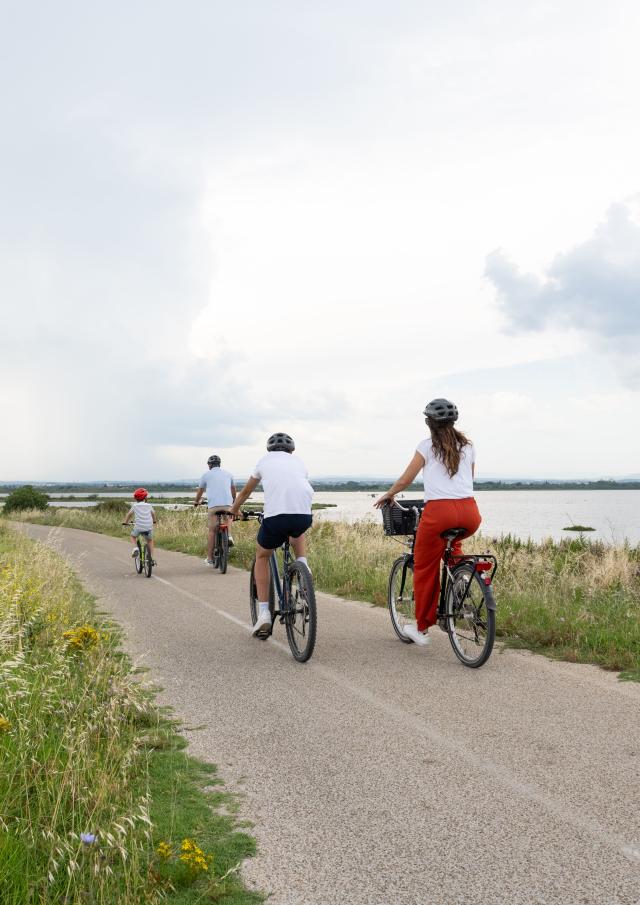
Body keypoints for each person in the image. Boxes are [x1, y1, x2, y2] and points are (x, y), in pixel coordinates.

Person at [375, 398, 481, 646]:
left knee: (424, 566)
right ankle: (459, 584)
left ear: (428, 422)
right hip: (469, 512)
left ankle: (422, 628)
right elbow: (469, 481)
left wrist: (389, 495)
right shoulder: (469, 446)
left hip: (438, 513)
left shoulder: (426, 446)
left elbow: (406, 480)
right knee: (453, 549)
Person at [229, 433, 313, 637]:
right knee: (296, 530)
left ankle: (264, 613)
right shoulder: (299, 462)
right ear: (291, 450)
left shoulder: (264, 461)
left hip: (276, 518)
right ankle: (303, 567)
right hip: (304, 515)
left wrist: (234, 510)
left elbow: (246, 492)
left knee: (262, 555)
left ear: (270, 449)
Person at [194, 455, 237, 565]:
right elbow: (233, 490)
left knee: (212, 531)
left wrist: (196, 502)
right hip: (228, 505)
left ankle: (209, 558)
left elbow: (200, 491)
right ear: (219, 464)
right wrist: (234, 500)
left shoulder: (205, 475)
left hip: (213, 506)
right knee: (228, 518)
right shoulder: (229, 474)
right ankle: (229, 535)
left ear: (209, 465)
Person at [123, 488, 157, 561]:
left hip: (138, 527)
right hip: (148, 527)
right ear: (145, 497)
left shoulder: (135, 506)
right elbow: (153, 513)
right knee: (150, 541)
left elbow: (129, 514)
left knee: (133, 536)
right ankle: (150, 557)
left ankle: (135, 548)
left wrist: (125, 523)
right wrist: (154, 521)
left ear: (136, 498)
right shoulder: (149, 505)